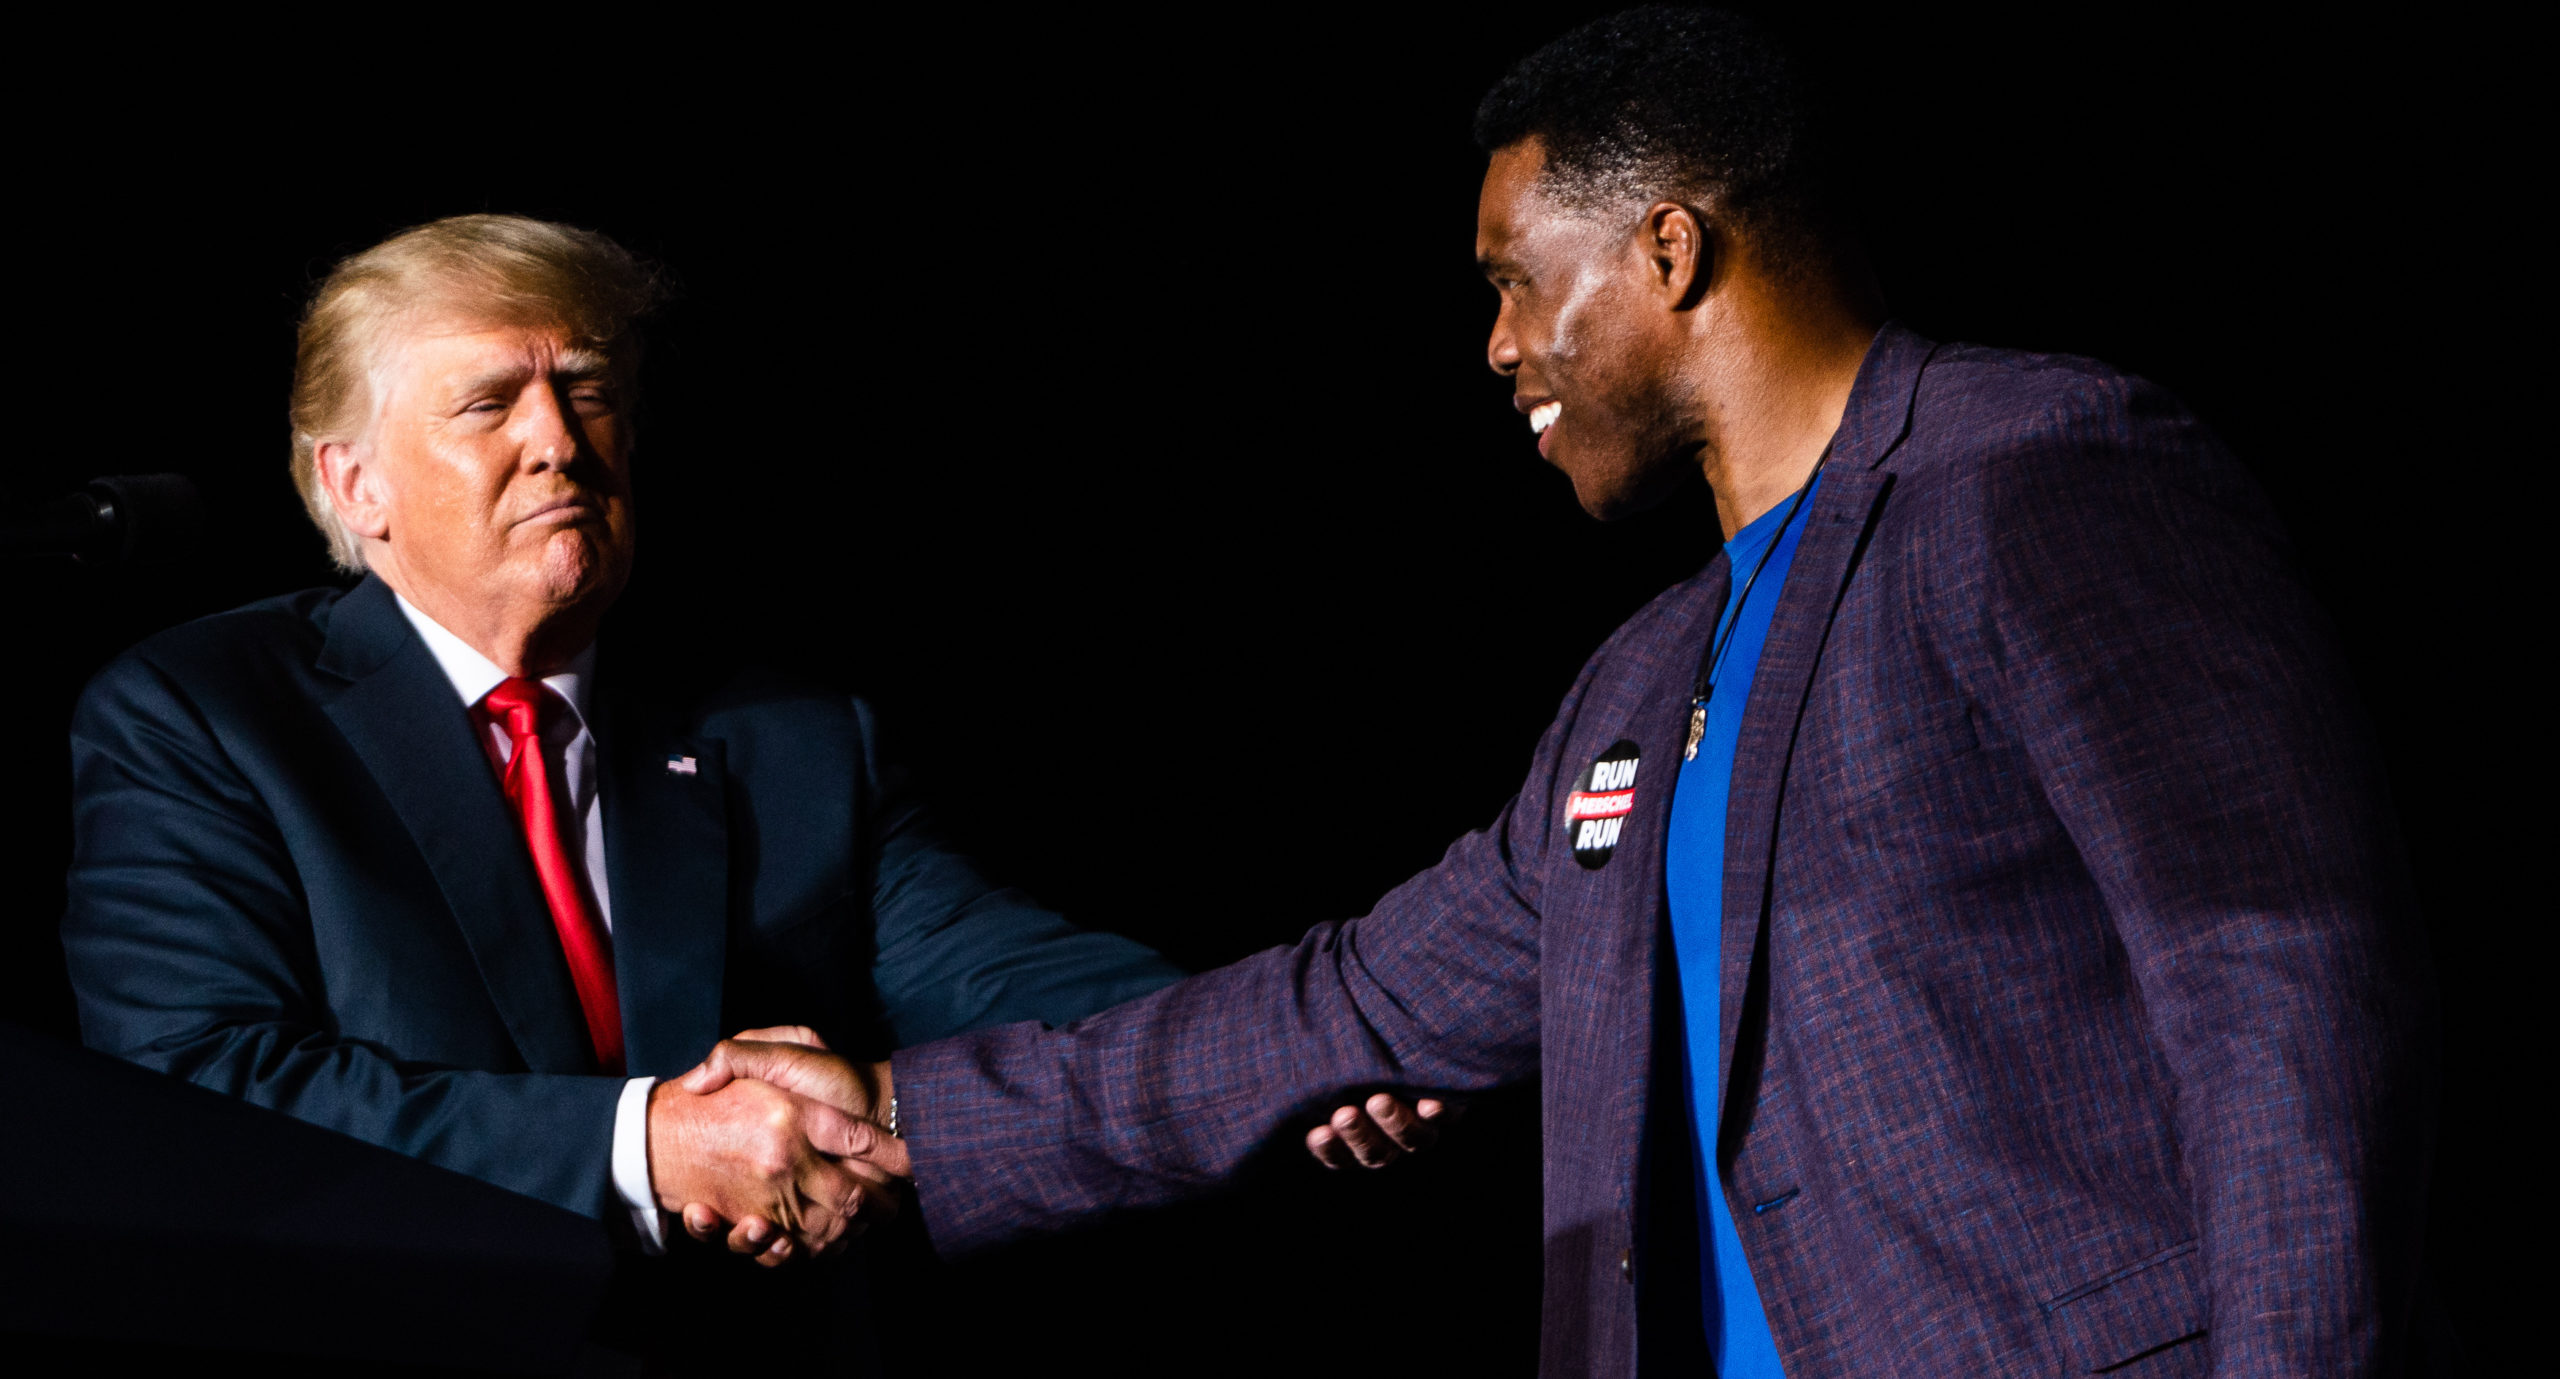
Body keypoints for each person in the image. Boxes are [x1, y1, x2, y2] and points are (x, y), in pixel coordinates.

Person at [694, 9, 2438, 1375]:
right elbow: (1344, 1008)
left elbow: (2278, 990)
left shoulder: (2035, 474)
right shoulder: (1637, 685)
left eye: (1516, 281)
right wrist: (905, 1113)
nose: (1498, 348)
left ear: (1669, 252)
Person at [58, 216, 1434, 1307]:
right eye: (489, 404)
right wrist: (644, 1146)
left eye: (586, 390)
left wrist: (1276, 1052)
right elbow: (200, 1087)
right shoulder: (202, 715)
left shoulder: (781, 729)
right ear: (352, 484)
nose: (558, 440)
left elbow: (1006, 970)